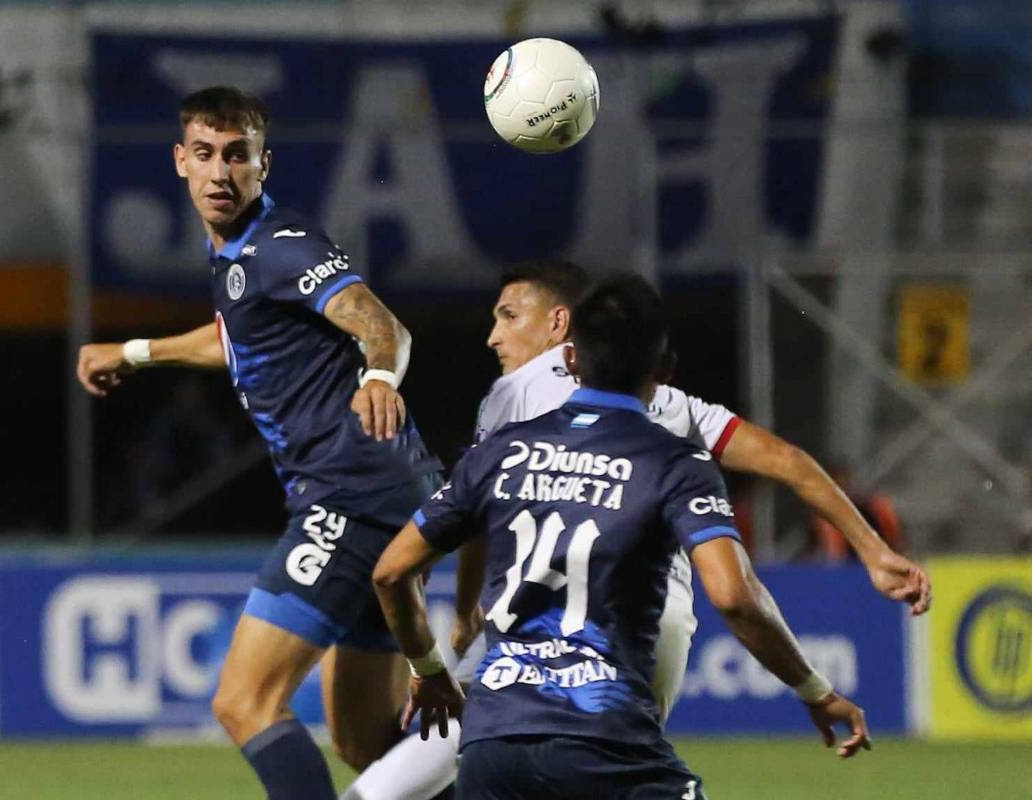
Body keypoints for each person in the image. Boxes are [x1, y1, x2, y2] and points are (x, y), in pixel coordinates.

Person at [342, 260, 930, 800]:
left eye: (508, 317)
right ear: (662, 366)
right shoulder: (676, 416)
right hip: (648, 628)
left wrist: (459, 623)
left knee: (472, 742)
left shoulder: (506, 418)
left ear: (564, 336)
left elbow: (426, 549)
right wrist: (874, 554)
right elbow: (786, 470)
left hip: (525, 659)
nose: (493, 336)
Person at [75, 86, 443, 799]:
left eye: (237, 156)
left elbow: (382, 325)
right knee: (366, 740)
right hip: (389, 495)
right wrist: (133, 351)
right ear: (181, 162)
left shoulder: (282, 245)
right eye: (206, 155)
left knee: (244, 702)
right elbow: (236, 340)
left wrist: (377, 376)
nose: (221, 173)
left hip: (351, 492)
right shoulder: (242, 258)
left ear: (261, 164)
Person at [808, 464, 904, 561]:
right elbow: (830, 552)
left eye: (839, 484)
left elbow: (893, 538)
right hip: (845, 564)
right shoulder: (823, 515)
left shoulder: (875, 506)